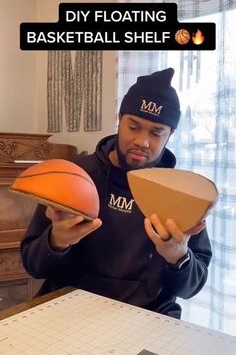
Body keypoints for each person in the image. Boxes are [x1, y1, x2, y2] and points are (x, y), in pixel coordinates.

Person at [21, 67, 212, 319]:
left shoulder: (180, 193)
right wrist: (57, 241)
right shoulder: (76, 176)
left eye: (156, 133)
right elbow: (33, 264)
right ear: (120, 118)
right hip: (70, 311)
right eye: (134, 126)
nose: (142, 142)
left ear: (170, 134)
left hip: (147, 318)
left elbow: (191, 288)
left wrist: (178, 257)